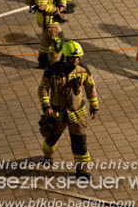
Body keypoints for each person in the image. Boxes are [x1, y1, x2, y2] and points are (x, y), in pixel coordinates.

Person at [38, 40, 98, 179]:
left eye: (77, 58)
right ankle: (48, 156)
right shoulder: (52, 71)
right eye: (72, 58)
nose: (75, 61)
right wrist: (46, 106)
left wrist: (94, 107)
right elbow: (43, 88)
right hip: (57, 114)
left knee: (80, 144)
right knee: (51, 139)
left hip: (77, 115)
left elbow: (90, 87)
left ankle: (83, 171)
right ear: (65, 57)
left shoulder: (83, 70)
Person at [35, 0, 67, 69]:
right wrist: (55, 10)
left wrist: (63, 4)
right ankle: (54, 63)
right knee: (58, 42)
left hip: (47, 21)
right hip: (50, 21)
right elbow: (42, 6)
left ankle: (43, 61)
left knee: (45, 41)